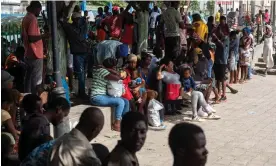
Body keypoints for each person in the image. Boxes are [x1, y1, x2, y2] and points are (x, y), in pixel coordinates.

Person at [18, 97, 70, 161]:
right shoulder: (41, 123)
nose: (62, 120)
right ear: (58, 110)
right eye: (64, 115)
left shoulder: (39, 120)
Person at [90, 58, 129, 132]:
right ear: (112, 67)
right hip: (97, 97)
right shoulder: (102, 71)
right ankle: (117, 124)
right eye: (114, 67)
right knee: (120, 102)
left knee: (126, 101)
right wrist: (109, 69)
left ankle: (124, 123)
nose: (115, 69)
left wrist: (108, 69)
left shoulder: (102, 69)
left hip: (103, 96)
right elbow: (118, 78)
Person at [22, 1, 49, 94]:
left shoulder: (26, 17)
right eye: (39, 10)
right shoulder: (33, 19)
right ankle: (34, 99)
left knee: (29, 78)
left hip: (28, 52)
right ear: (36, 8)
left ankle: (28, 97)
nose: (39, 13)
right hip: (35, 53)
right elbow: (32, 38)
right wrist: (44, 36)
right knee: (37, 80)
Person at [62, 11, 89, 98]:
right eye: (77, 19)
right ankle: (81, 92)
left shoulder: (72, 28)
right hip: (79, 53)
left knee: (83, 73)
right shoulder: (73, 28)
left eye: (79, 19)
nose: (78, 20)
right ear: (73, 20)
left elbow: (62, 21)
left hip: (83, 52)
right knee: (81, 74)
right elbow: (62, 21)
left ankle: (82, 92)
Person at [212, 16, 230, 101]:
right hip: (217, 59)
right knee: (217, 79)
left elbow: (222, 46)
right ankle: (218, 93)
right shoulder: (217, 37)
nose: (219, 30)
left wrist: (216, 39)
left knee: (222, 79)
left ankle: (224, 94)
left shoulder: (226, 38)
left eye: (220, 29)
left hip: (223, 60)